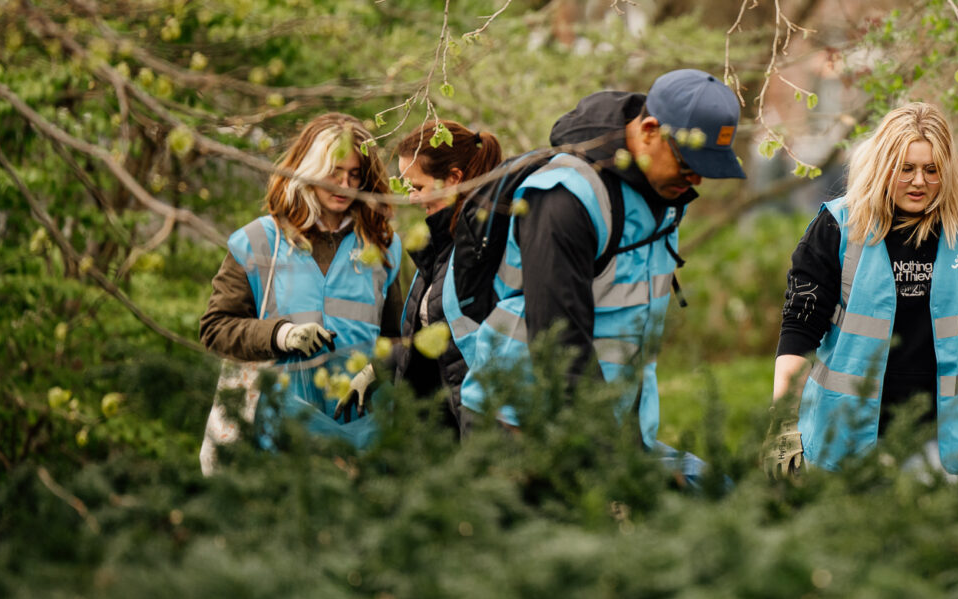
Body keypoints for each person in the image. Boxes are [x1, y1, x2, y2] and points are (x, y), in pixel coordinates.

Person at [444, 69, 743, 461]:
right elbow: (560, 344)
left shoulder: (666, 197)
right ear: (649, 130)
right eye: (688, 164)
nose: (696, 180)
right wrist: (612, 455)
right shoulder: (565, 197)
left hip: (607, 424)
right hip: (520, 426)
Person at [769, 103, 958, 476]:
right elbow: (799, 328)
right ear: (884, 166)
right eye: (906, 168)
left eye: (931, 170)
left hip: (945, 443)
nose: (919, 181)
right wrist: (783, 422)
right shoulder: (838, 227)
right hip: (846, 437)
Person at [200, 113, 403, 442]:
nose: (344, 185)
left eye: (354, 175)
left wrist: (377, 369)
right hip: (280, 430)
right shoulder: (259, 241)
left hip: (362, 431)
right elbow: (216, 328)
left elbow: (397, 337)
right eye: (334, 172)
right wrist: (281, 335)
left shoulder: (383, 246)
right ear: (309, 169)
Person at [395, 119, 502, 422]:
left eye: (418, 187)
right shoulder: (441, 247)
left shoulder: (479, 251)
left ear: (453, 179)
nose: (412, 198)